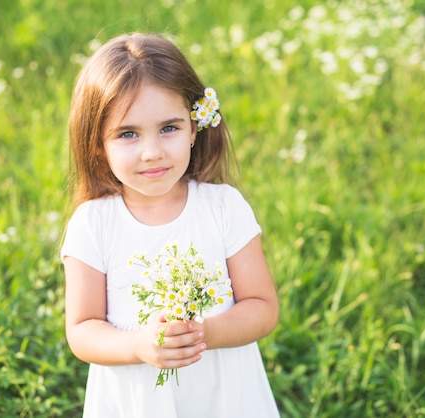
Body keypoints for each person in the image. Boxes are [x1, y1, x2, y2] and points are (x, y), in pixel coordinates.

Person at [61, 32, 280, 417]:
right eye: (128, 134)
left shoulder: (223, 207)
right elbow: (82, 330)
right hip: (136, 400)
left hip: (224, 397)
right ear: (98, 144)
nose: (152, 152)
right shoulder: (93, 224)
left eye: (169, 128)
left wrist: (204, 334)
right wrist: (138, 345)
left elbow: (262, 307)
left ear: (195, 128)